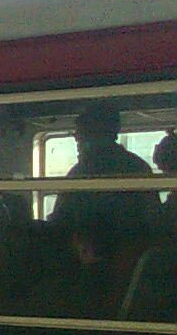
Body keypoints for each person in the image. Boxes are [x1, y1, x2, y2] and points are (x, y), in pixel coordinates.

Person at [51, 100, 159, 246]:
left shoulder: (81, 172)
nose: (76, 137)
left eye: (82, 132)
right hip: (131, 250)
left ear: (96, 132)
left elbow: (61, 222)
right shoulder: (138, 166)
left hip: (93, 249)